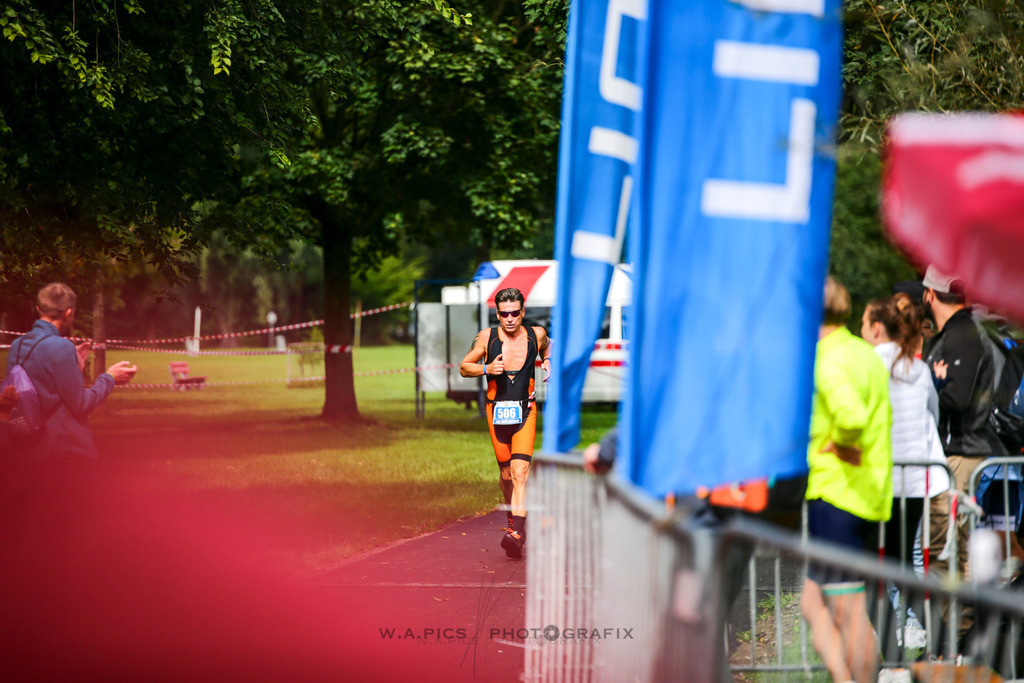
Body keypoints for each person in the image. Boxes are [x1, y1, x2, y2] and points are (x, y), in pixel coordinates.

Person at [801, 276, 892, 683]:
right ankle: (843, 677)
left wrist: (839, 444)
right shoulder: (863, 354)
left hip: (838, 495)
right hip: (865, 492)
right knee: (811, 602)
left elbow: (852, 417)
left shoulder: (827, 358)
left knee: (849, 611)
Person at [460, 287, 551, 559]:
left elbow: (549, 345)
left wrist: (547, 360)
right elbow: (464, 367)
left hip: (526, 411)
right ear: (498, 314)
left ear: (522, 312)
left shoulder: (536, 334)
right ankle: (514, 520)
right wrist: (487, 368)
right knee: (506, 475)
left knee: (520, 472)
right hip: (496, 412)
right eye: (504, 314)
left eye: (514, 313)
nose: (509, 319)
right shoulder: (486, 338)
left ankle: (517, 534)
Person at [920, 265, 996, 589]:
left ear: (929, 295)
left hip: (960, 455)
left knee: (949, 547)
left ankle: (958, 620)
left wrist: (931, 386)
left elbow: (957, 398)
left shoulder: (964, 335)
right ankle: (951, 618)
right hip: (952, 455)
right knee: (945, 546)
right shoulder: (953, 334)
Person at [4, 282, 137, 461]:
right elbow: (80, 405)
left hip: (25, 450)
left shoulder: (17, 345)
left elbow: (42, 386)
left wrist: (74, 366)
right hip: (60, 451)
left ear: (38, 309)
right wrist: (110, 377)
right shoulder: (61, 347)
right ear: (68, 313)